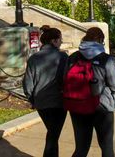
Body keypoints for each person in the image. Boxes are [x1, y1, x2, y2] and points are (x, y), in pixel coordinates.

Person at [64, 27, 115, 157]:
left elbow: (64, 79)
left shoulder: (73, 57)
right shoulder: (105, 59)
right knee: (106, 147)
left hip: (77, 105)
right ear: (101, 40)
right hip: (102, 106)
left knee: (81, 148)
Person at [23, 26, 68, 157]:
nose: (61, 41)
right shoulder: (63, 57)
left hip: (41, 102)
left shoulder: (33, 58)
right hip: (59, 101)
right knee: (53, 135)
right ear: (54, 41)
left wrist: (32, 99)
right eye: (60, 39)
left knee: (53, 133)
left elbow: (27, 83)